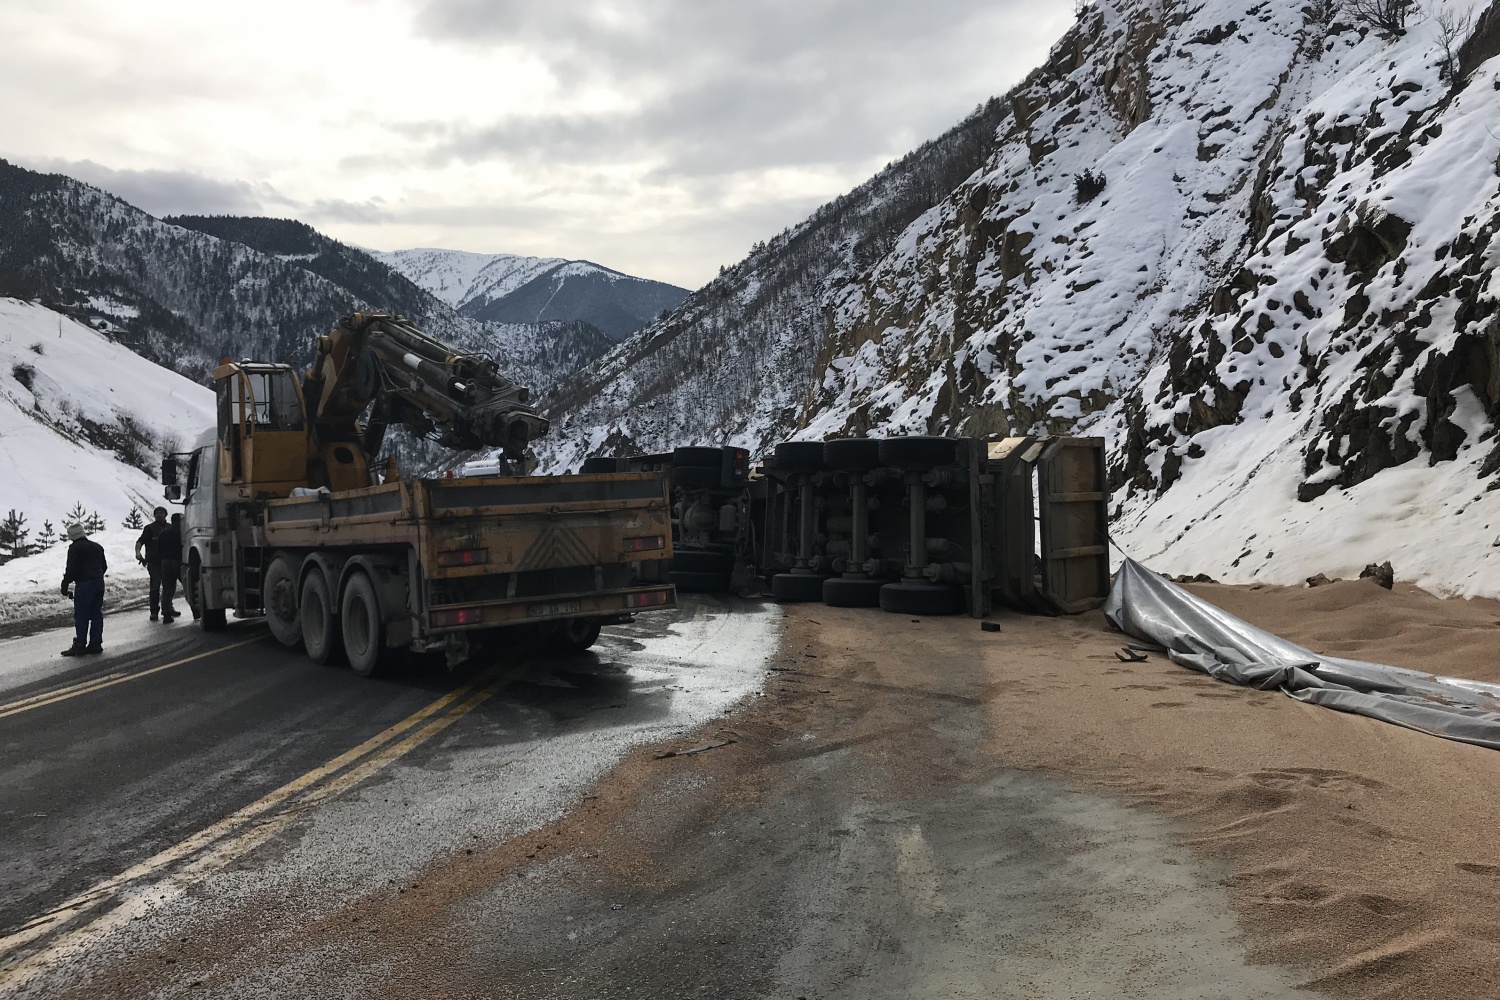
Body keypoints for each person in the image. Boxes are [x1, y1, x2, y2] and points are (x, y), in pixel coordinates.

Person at [61, 523, 107, 656]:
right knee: (96, 613)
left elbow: (71, 569)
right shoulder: (97, 547)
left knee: (82, 614)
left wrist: (65, 584)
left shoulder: (75, 549)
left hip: (84, 584)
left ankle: (80, 644)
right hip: (98, 582)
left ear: (72, 536)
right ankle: (95, 643)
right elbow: (104, 566)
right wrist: (97, 576)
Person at [134, 506, 169, 622]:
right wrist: (138, 553)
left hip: (167, 561)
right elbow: (140, 541)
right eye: (157, 513)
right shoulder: (149, 529)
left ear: (165, 514)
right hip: (154, 562)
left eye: (161, 513)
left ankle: (168, 608)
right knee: (155, 587)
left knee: (168, 587)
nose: (159, 515)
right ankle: (154, 611)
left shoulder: (170, 528)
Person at [157, 513, 183, 623]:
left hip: (165, 561)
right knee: (188, 584)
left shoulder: (164, 532)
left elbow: (159, 548)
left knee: (167, 588)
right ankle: (196, 610)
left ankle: (166, 613)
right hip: (179, 560)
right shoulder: (182, 532)